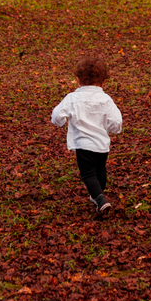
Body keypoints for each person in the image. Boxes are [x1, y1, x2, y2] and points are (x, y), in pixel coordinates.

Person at [51, 56, 124, 217]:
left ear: (78, 79)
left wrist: (61, 122)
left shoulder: (72, 98)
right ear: (103, 82)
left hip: (83, 145)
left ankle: (100, 200)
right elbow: (116, 122)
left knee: (88, 174)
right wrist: (112, 128)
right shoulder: (106, 99)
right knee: (100, 170)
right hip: (101, 145)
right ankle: (98, 196)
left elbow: (56, 116)